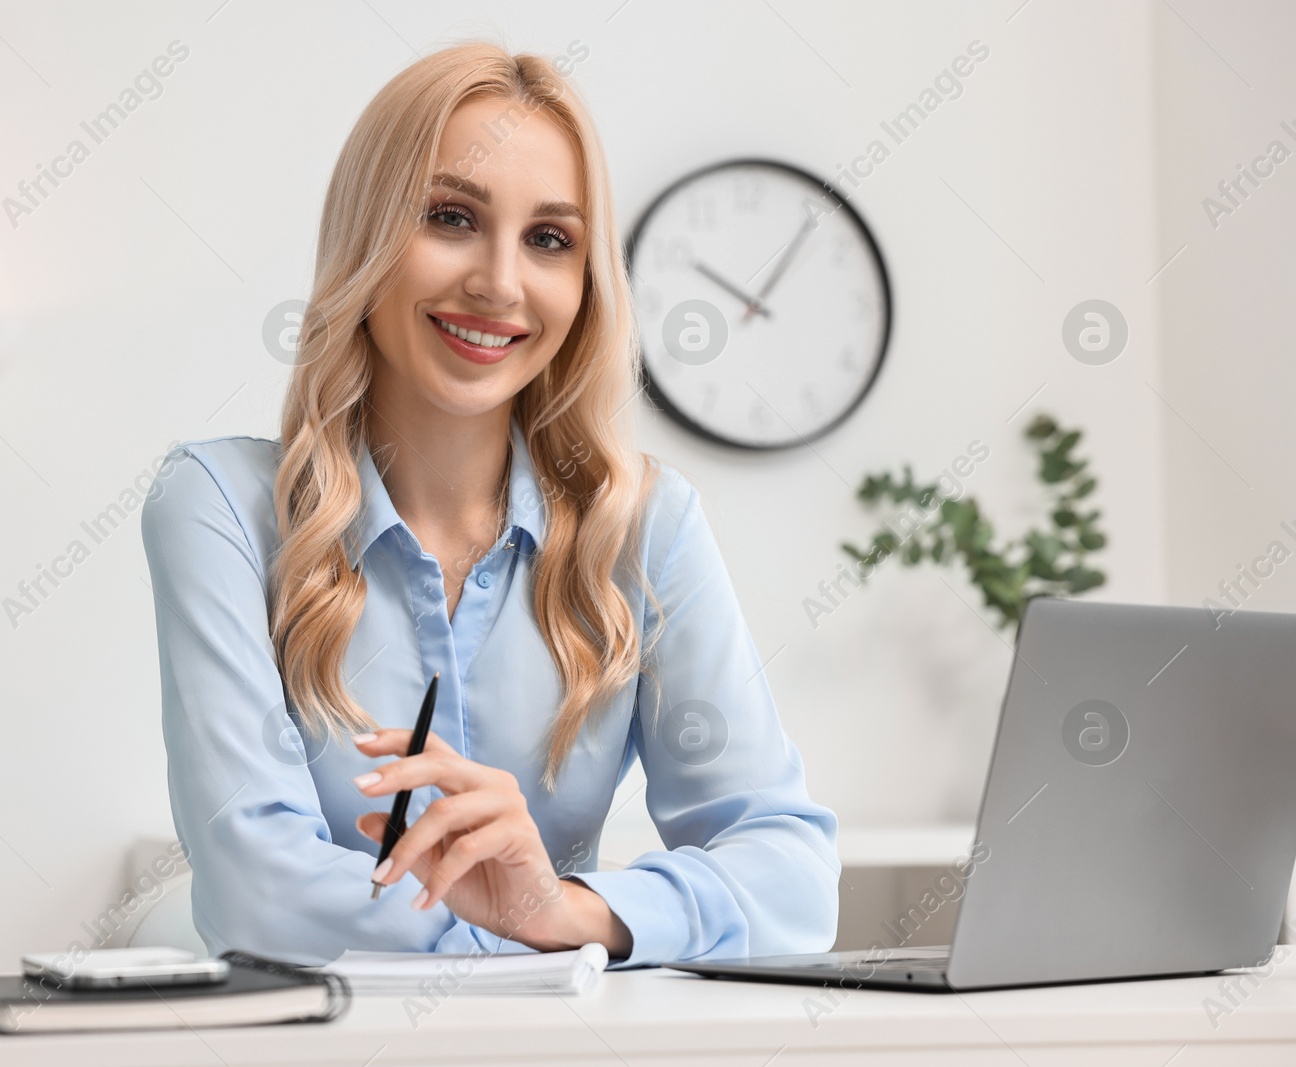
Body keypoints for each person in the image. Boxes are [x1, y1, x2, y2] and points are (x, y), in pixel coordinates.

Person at [140, 40, 838, 969]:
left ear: (586, 285)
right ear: (368, 238)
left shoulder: (646, 530)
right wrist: (534, 934)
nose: (501, 283)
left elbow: (791, 874)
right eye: (450, 217)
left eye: (550, 239)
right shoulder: (220, 507)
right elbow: (259, 893)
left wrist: (562, 908)